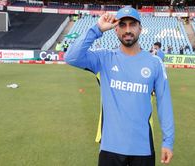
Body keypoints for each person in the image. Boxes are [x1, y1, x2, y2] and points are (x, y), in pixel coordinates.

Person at [65, 6, 174, 166]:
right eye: (122, 25)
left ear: (140, 29)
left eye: (132, 24)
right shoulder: (104, 58)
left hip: (143, 148)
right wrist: (97, 29)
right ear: (115, 29)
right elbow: (71, 57)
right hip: (110, 147)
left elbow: (164, 103)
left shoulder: (154, 63)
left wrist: (168, 141)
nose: (127, 29)